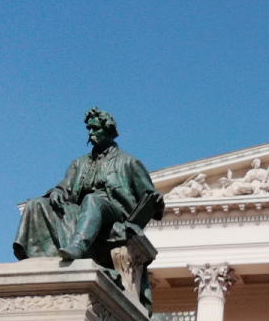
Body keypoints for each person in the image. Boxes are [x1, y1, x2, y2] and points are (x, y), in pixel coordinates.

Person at [13, 107, 163, 267]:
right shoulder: (79, 163)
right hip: (82, 210)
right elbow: (65, 186)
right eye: (89, 129)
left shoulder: (128, 162)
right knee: (36, 203)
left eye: (95, 128)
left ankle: (78, 246)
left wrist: (155, 202)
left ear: (108, 131)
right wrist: (57, 191)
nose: (91, 133)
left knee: (92, 200)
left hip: (115, 213)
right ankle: (32, 259)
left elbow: (150, 198)